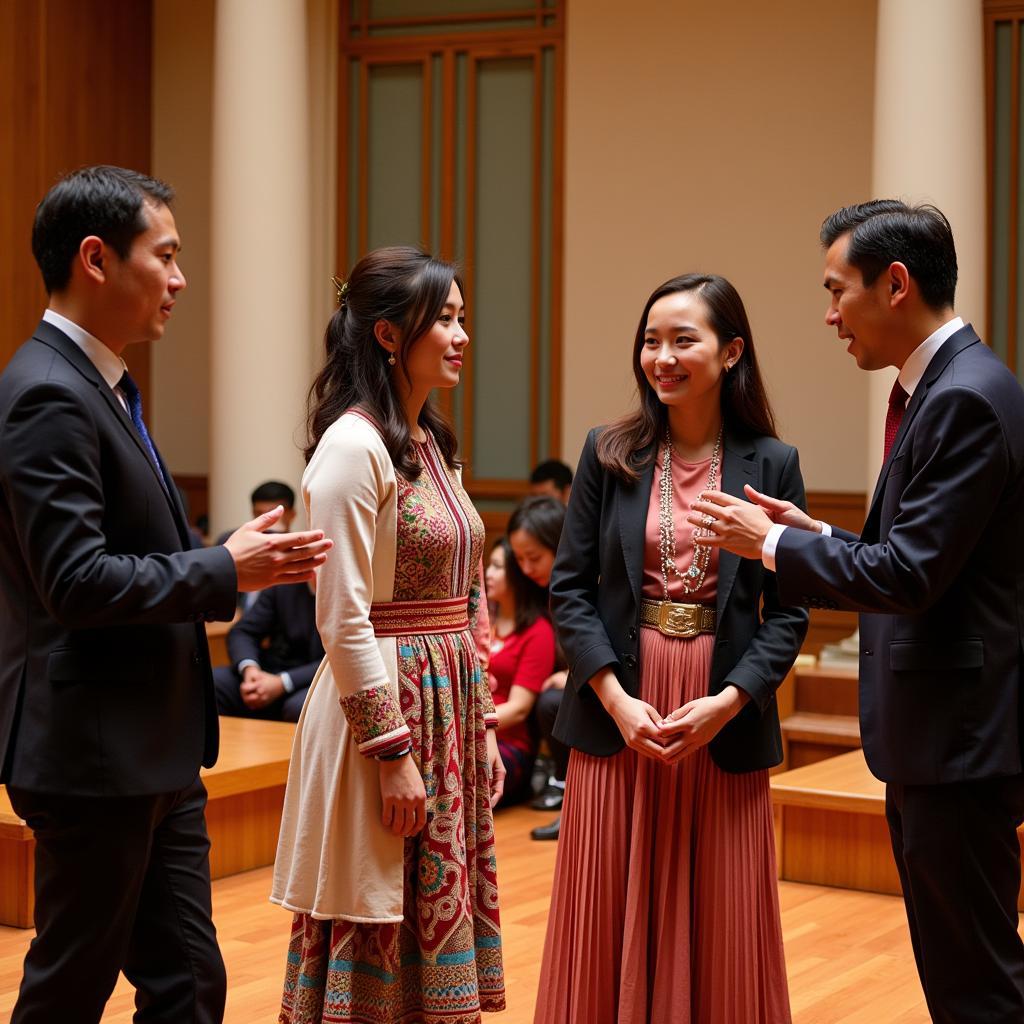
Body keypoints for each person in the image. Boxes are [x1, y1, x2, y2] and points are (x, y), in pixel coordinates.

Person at [0, 165, 332, 1024]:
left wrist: (221, 557)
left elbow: (132, 552)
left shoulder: (102, 381)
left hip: (154, 744)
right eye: (168, 255)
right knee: (72, 985)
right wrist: (226, 569)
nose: (181, 279)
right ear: (97, 259)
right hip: (95, 752)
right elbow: (75, 582)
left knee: (187, 982)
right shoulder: (46, 391)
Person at [692, 200, 1024, 1024]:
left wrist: (769, 547)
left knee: (978, 984)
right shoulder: (949, 387)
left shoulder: (965, 399)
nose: (830, 315)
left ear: (898, 285)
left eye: (839, 291)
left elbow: (910, 575)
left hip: (960, 743)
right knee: (963, 975)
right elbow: (919, 558)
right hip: (942, 740)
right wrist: (813, 535)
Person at [534, 273, 809, 1024]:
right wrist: (616, 702)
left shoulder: (772, 463)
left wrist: (728, 703)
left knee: (719, 906)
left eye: (683, 339)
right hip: (620, 705)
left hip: (720, 707)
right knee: (605, 904)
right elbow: (570, 591)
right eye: (651, 340)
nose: (662, 356)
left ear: (731, 352)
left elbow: (787, 614)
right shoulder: (607, 451)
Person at [271, 247, 506, 1024]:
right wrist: (392, 752)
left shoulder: (427, 440)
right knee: (373, 910)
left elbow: (464, 587)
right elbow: (340, 618)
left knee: (430, 910)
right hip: (387, 713)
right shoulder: (353, 446)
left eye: (462, 317)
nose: (461, 333)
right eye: (443, 318)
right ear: (385, 334)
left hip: (445, 704)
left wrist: (482, 731)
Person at [504, 496, 569, 839]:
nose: (526, 568)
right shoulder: (529, 595)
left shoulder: (585, 584)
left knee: (549, 702)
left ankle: (564, 787)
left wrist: (574, 674)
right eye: (519, 559)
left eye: (535, 558)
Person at [485, 537, 556, 804]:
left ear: (515, 576)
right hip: (473, 735)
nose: (487, 574)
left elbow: (519, 709)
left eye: (496, 567)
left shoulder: (537, 631)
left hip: (510, 745)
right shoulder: (482, 622)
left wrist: (466, 727)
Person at [213, 581, 324, 723]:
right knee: (213, 683)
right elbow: (243, 632)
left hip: (313, 681)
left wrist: (283, 682)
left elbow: (337, 660)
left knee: (300, 708)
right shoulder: (285, 582)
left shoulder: (347, 593)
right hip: (269, 671)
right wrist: (250, 669)